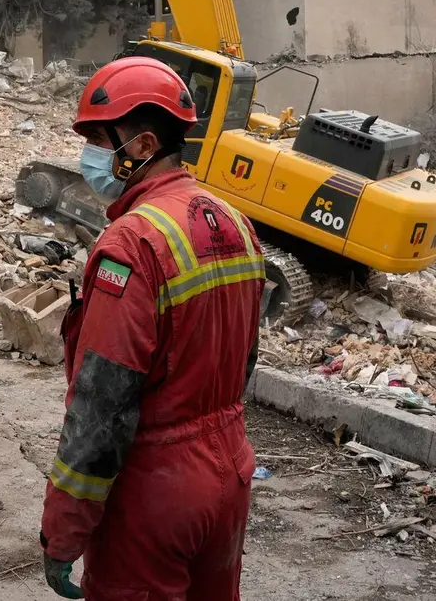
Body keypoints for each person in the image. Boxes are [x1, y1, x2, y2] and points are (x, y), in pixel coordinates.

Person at [40, 57, 265, 600]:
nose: (89, 155)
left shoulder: (131, 243)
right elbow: (245, 358)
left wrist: (64, 531)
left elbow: (102, 405)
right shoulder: (234, 222)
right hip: (229, 472)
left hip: (154, 492)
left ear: (140, 146)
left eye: (98, 138)